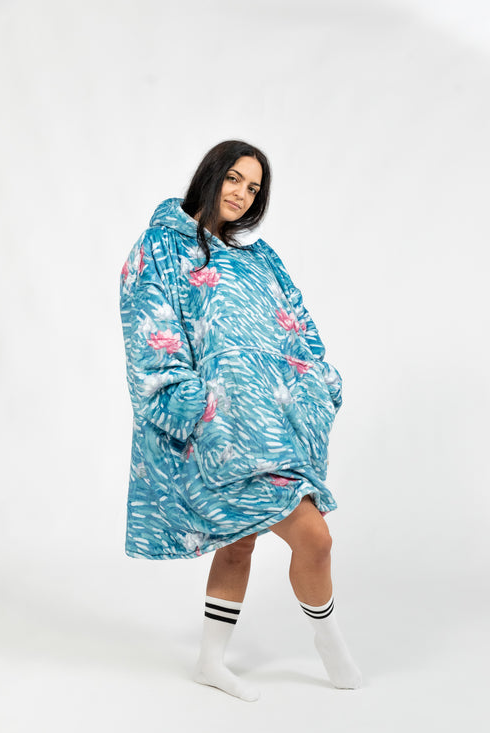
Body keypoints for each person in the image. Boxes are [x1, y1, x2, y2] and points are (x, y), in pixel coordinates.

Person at [119, 140, 362, 701]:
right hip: (220, 431)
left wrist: (318, 382)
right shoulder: (159, 247)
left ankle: (210, 660)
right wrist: (194, 406)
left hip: (274, 424)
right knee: (311, 537)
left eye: (253, 188)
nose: (242, 193)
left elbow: (298, 325)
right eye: (234, 178)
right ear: (210, 174)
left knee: (243, 541)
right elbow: (148, 334)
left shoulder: (259, 259)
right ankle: (330, 647)